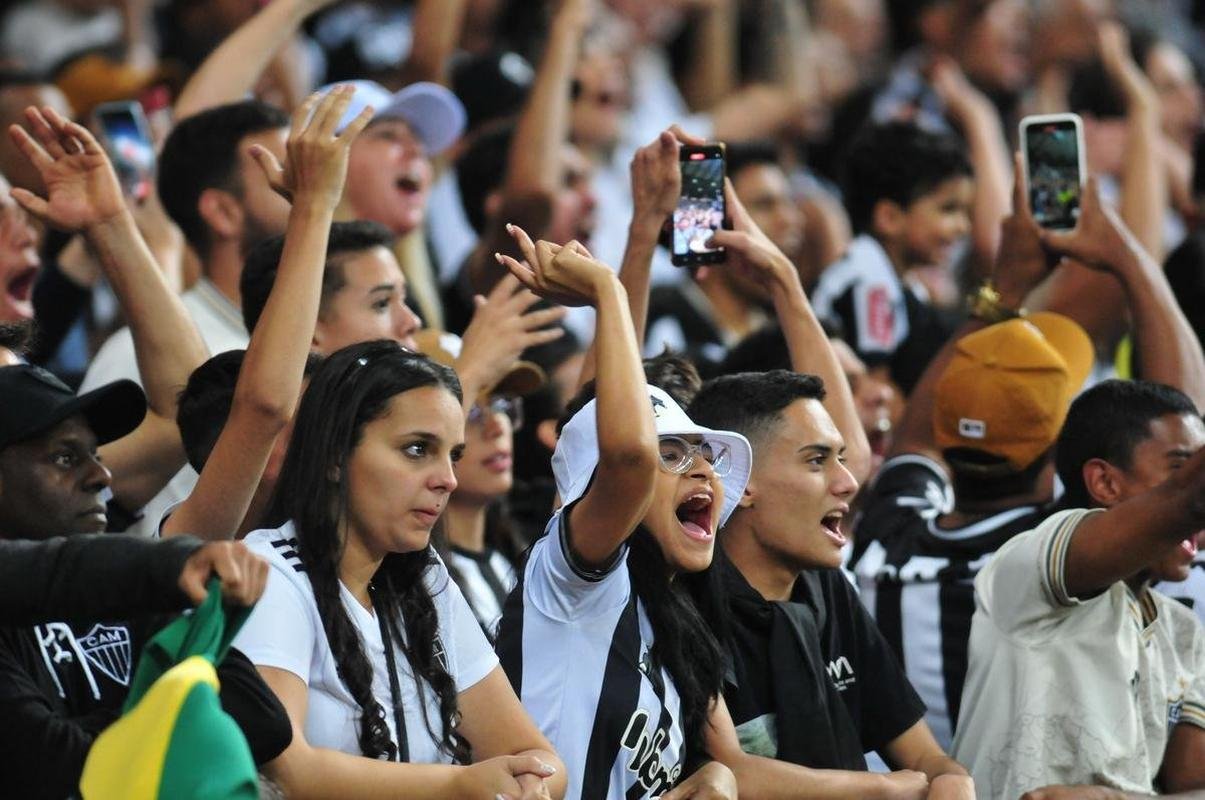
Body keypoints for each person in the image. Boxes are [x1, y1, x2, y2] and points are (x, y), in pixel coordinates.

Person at [494, 224, 931, 799]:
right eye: (671, 455)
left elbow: (730, 766)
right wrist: (609, 294)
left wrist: (715, 778)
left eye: (703, 454)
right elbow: (626, 455)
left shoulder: (678, 612)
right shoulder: (573, 583)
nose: (701, 469)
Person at [232, 340, 568, 799]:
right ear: (333, 454)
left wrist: (527, 783)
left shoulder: (424, 580)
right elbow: (290, 770)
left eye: (453, 454)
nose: (446, 478)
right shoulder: (271, 574)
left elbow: (537, 756)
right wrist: (459, 784)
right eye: (417, 449)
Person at [687, 373, 969, 792]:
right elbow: (734, 773)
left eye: (841, 457)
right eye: (817, 460)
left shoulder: (828, 587)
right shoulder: (685, 602)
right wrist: (882, 790)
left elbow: (926, 757)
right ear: (740, 481)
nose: (848, 482)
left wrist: (954, 782)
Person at [952, 389, 1205, 798]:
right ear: (1105, 482)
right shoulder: (1031, 567)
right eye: (1179, 468)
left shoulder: (1184, 632)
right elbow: (1188, 501)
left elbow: (1194, 786)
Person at [78, 99, 292, 537]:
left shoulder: (292, 343)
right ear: (223, 212)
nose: (310, 186)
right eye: (283, 173)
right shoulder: (136, 356)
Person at [810, 121, 972, 395]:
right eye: (948, 209)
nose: (963, 226)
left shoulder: (890, 277)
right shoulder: (870, 281)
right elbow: (876, 391)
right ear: (889, 217)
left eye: (966, 211)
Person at [416, 328, 544, 635]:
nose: (495, 426)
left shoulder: (526, 545)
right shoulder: (410, 575)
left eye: (501, 403)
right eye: (472, 409)